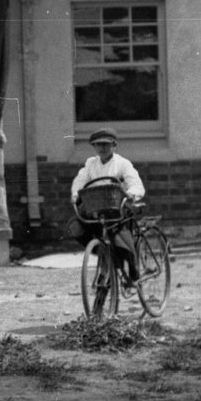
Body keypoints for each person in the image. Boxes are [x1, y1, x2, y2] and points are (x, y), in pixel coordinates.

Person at [70, 127, 145, 315]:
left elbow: (136, 184)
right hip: (96, 210)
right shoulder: (91, 164)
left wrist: (131, 193)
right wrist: (75, 194)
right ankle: (100, 251)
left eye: (105, 144)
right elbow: (80, 181)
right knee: (78, 226)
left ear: (114, 145)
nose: (102, 149)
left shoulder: (122, 164)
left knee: (121, 240)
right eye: (98, 145)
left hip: (117, 210)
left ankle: (132, 266)